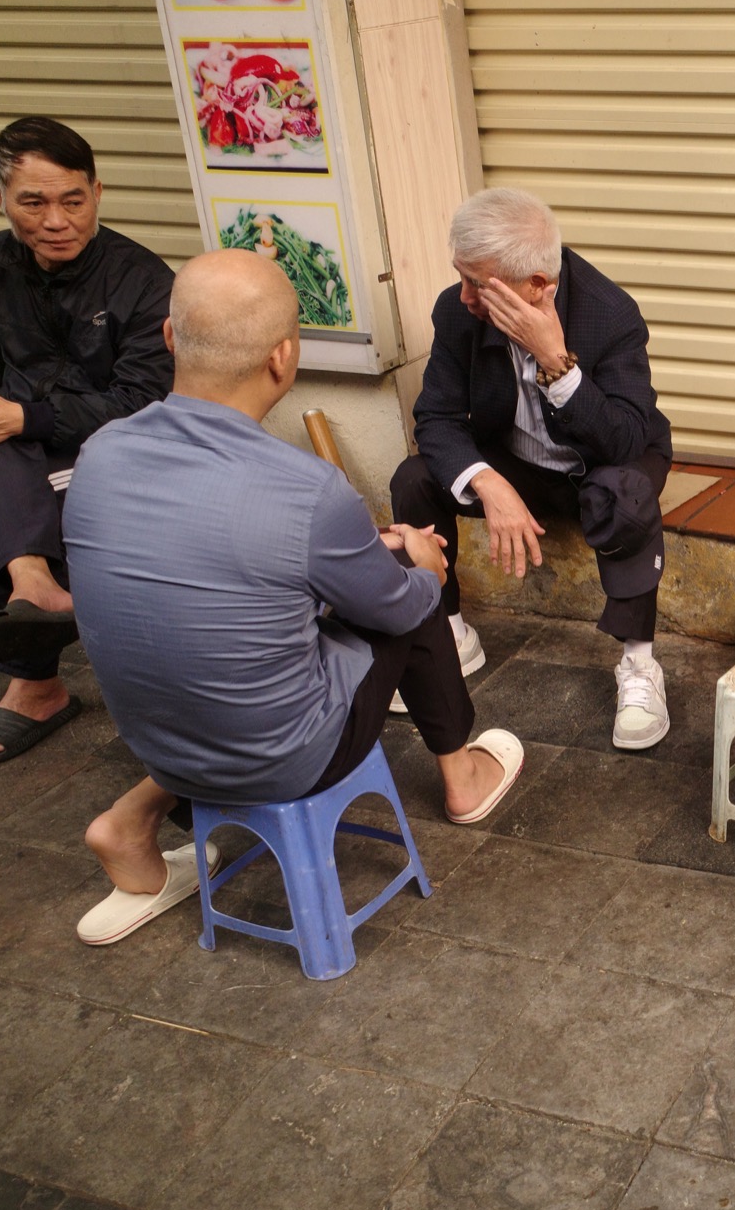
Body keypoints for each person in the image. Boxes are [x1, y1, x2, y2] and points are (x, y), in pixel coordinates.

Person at [63, 250, 523, 946]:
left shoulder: (100, 452)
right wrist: (425, 566)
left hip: (159, 745)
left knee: (229, 630)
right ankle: (463, 778)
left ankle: (132, 820)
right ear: (283, 357)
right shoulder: (306, 489)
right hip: (283, 759)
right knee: (409, 585)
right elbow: (396, 609)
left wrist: (358, 553)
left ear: (169, 337)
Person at [0, 117, 177, 765]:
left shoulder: (143, 280)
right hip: (18, 440)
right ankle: (35, 595)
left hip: (112, 445)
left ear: (97, 192)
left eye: (73, 201)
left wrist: (20, 419)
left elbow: (141, 403)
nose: (56, 221)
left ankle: (35, 672)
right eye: (33, 203)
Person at [388, 188, 675, 749]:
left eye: (478, 283)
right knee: (414, 477)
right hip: (517, 461)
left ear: (536, 285)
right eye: (460, 276)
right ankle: (447, 635)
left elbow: (623, 440)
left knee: (626, 490)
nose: (464, 295)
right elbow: (436, 418)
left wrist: (555, 362)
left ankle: (640, 666)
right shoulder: (458, 311)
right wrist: (489, 483)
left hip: (601, 461)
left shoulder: (610, 314)